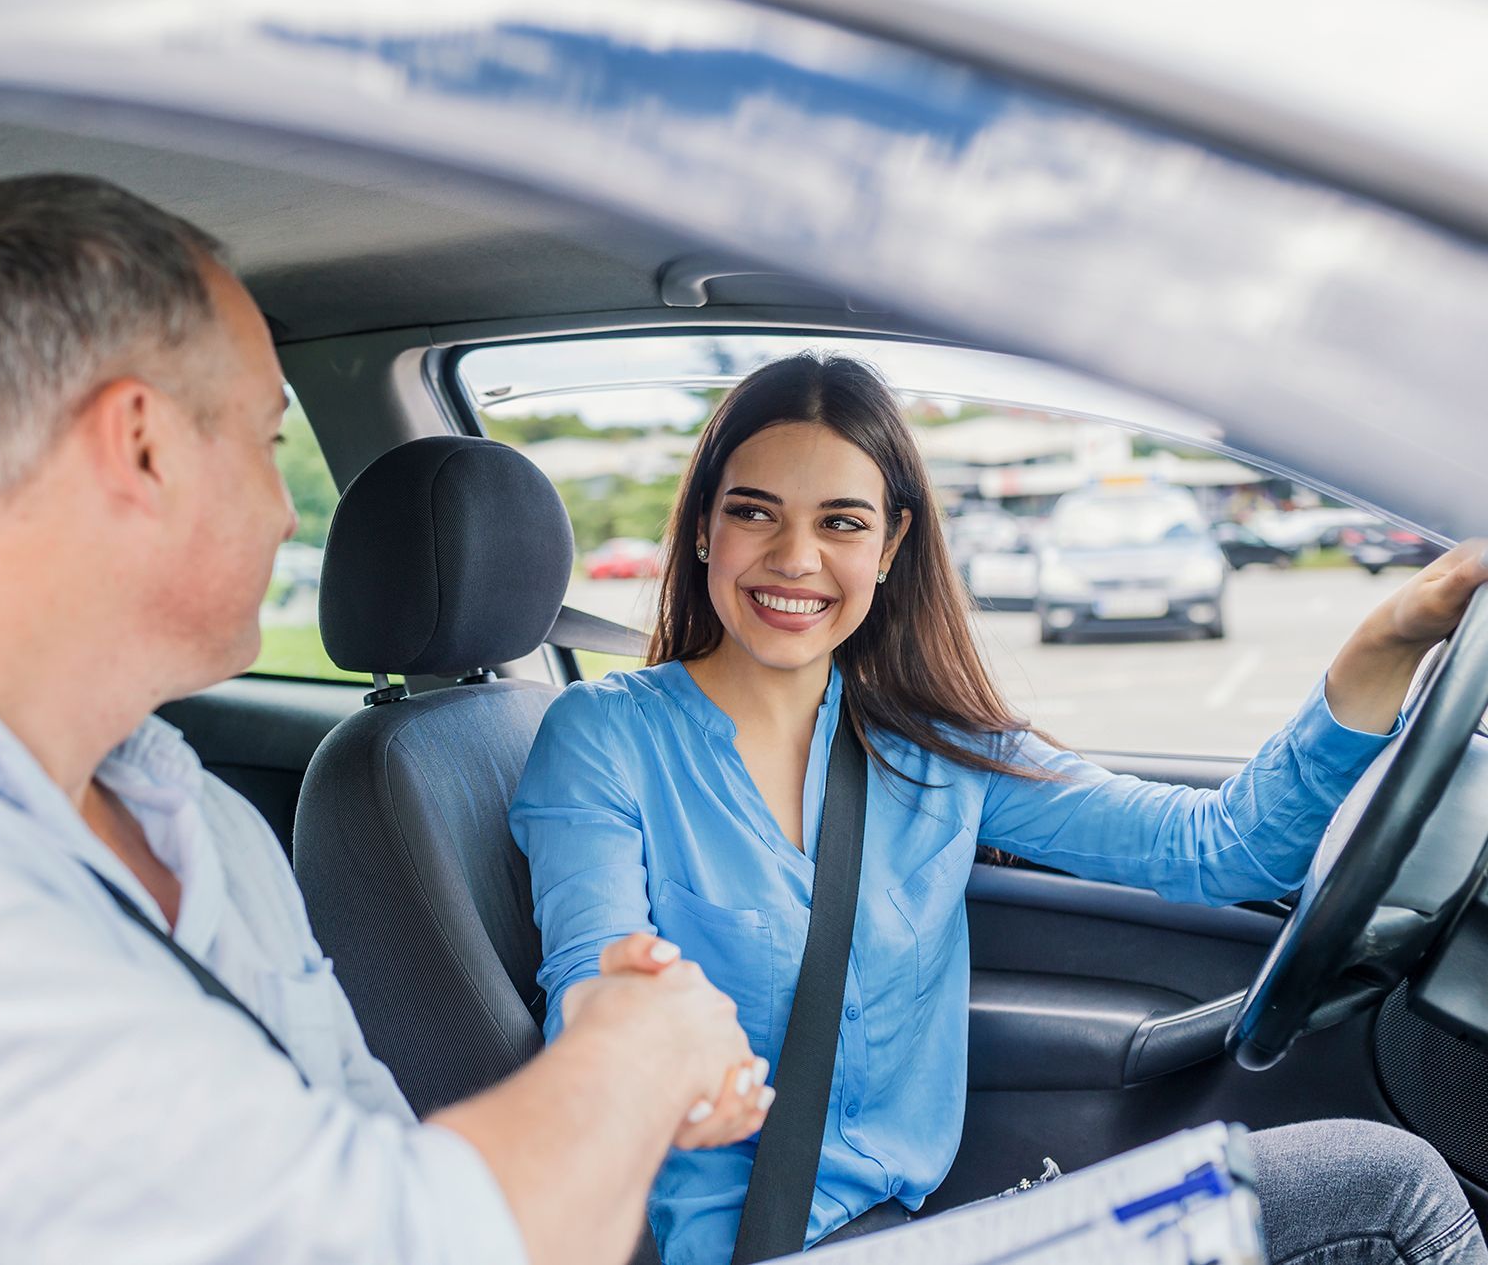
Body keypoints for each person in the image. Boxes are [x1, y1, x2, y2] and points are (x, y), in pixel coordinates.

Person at [0, 175, 776, 1265]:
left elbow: (351, 1137)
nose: (281, 515)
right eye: (261, 442)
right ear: (139, 444)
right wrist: (639, 1048)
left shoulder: (189, 810)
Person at [510, 354, 1488, 1265]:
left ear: (892, 543)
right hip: (757, 1248)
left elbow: (1222, 849)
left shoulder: (936, 745)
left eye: (841, 521)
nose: (794, 557)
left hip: (919, 1224)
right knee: (1388, 1195)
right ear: (702, 529)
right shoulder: (605, 735)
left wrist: (1389, 639)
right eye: (754, 512)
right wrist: (645, 1037)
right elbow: (592, 972)